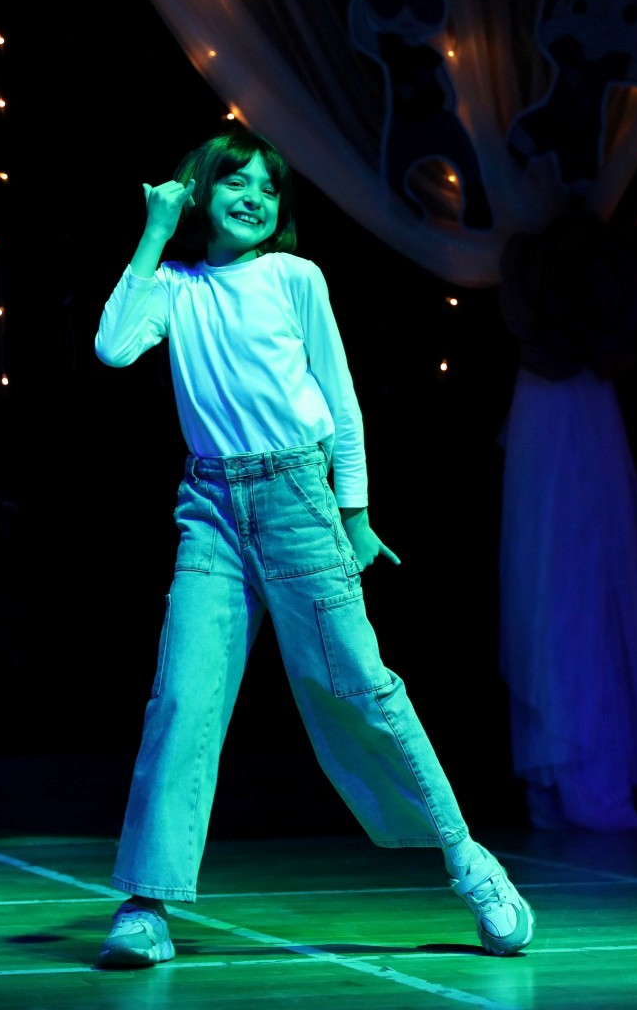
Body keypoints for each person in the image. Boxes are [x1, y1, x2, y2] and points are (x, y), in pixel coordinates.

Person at [91, 126, 534, 969]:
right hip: (210, 510)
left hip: (298, 499)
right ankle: (146, 903)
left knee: (360, 688)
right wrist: (154, 230)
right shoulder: (174, 286)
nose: (255, 198)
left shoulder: (296, 277)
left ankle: (469, 863)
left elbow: (342, 399)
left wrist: (354, 513)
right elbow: (113, 348)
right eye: (236, 182)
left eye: (269, 188)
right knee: (182, 698)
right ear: (200, 191)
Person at [496, 208, 637, 832]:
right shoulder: (530, 257)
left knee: (591, 575)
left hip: (582, 404)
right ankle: (562, 770)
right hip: (551, 404)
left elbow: (612, 319)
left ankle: (586, 768)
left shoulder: (587, 256)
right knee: (554, 576)